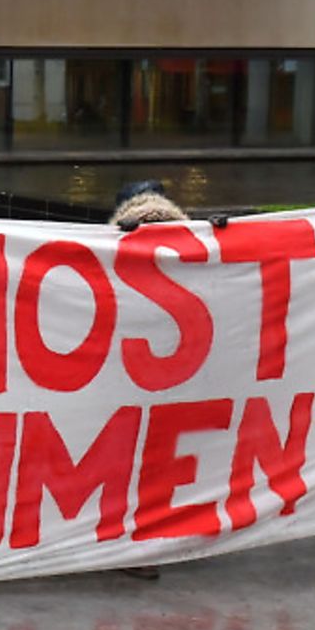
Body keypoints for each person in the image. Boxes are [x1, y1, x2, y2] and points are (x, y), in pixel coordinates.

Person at [109, 180, 190, 580]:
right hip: (175, 395)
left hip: (129, 395)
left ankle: (135, 546)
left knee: (130, 466)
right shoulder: (197, 256)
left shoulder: (110, 258)